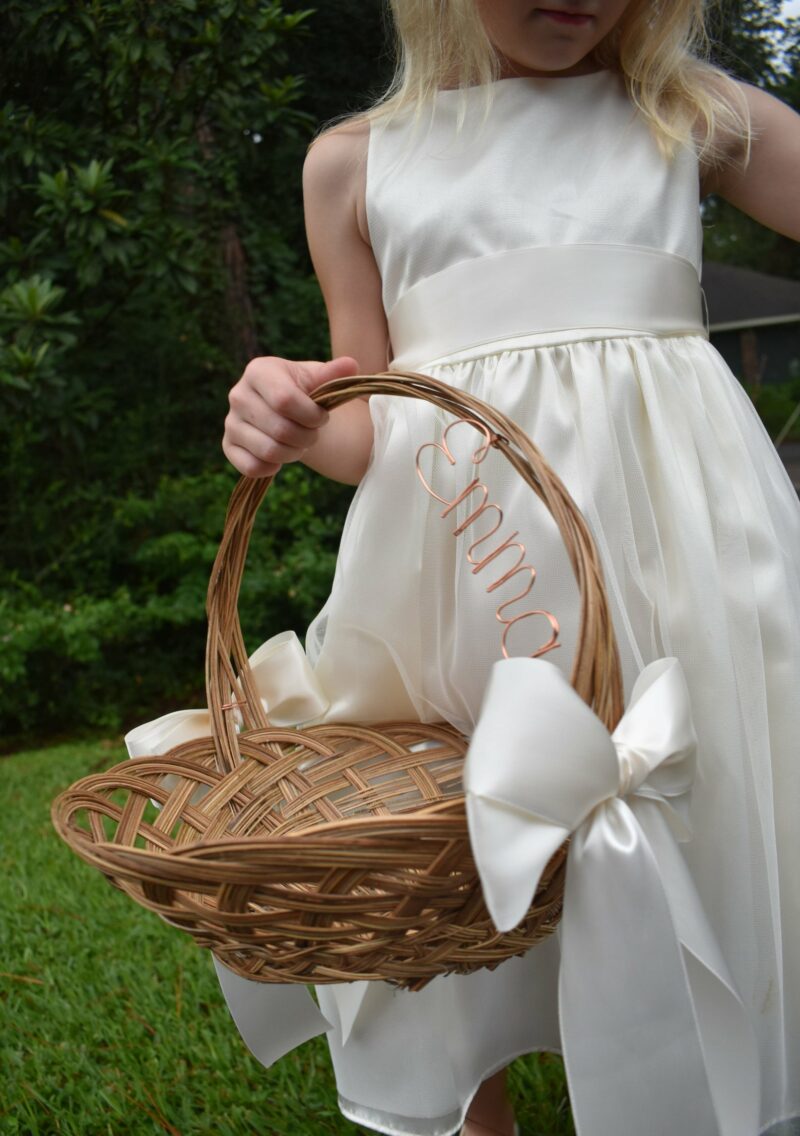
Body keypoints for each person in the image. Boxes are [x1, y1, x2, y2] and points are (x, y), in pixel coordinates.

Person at [220, 2, 800, 1134]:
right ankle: (475, 1097)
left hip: (682, 537)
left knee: (709, 792)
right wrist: (291, 412)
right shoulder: (355, 164)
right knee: (466, 822)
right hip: (460, 554)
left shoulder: (682, 114)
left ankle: (713, 1064)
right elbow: (368, 420)